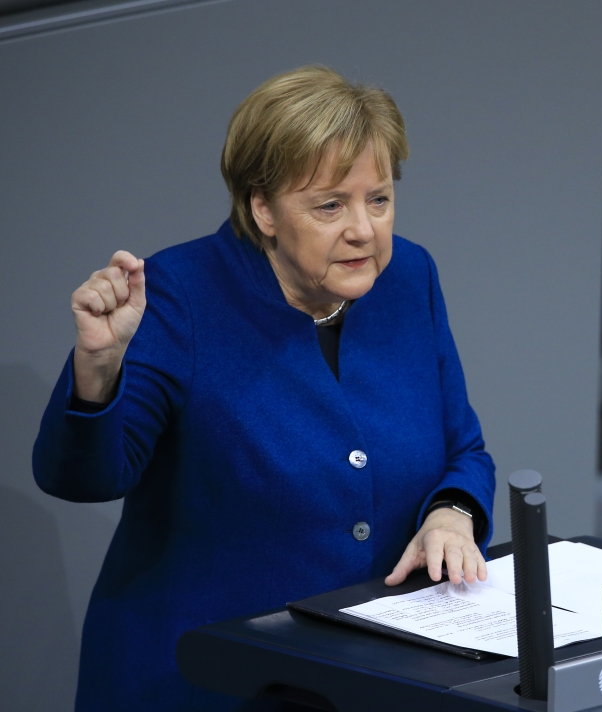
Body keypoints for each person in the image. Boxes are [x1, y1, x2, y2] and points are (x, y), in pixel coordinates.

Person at [32, 65, 496, 711]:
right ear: (263, 208)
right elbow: (84, 479)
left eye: (380, 199)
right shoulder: (178, 296)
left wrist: (453, 512)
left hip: (371, 674)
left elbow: (464, 451)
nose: (364, 228)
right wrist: (99, 367)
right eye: (331, 205)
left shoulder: (409, 276)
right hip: (205, 680)